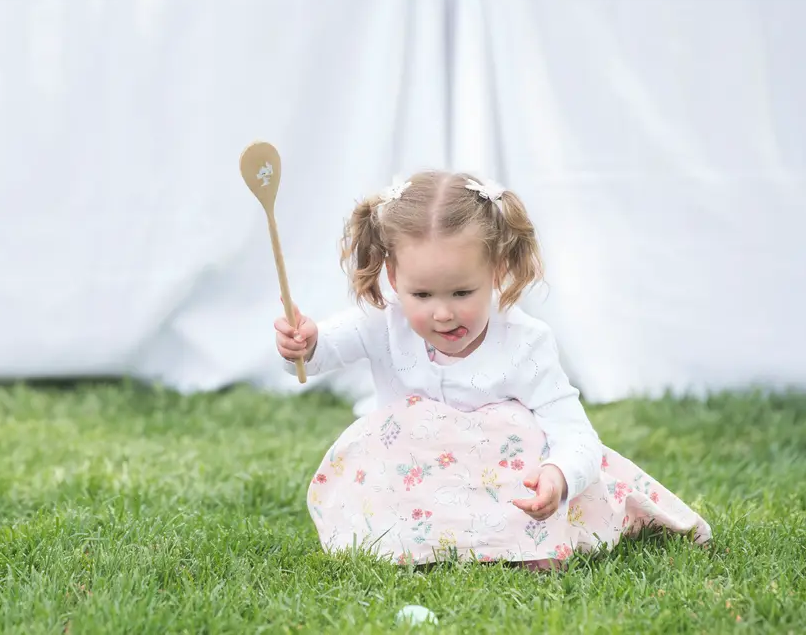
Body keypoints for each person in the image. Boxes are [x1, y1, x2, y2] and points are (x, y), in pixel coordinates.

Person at [274, 170, 711, 569]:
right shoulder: (383, 322)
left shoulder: (525, 342)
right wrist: (306, 342)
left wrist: (557, 475)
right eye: (422, 295)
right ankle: (423, 541)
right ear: (392, 274)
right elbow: (324, 349)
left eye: (462, 292)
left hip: (504, 486)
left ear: (498, 269)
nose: (443, 313)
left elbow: (575, 433)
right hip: (421, 487)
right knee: (399, 431)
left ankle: (520, 543)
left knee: (513, 427)